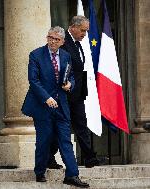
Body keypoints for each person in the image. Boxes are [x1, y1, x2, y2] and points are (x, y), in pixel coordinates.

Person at [21, 26, 89, 188]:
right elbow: (34, 80)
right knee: (44, 140)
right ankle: (39, 171)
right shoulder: (36, 55)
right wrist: (46, 98)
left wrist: (70, 84)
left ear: (62, 42)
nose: (52, 41)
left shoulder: (65, 56)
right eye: (50, 37)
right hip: (43, 106)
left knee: (65, 140)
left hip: (61, 106)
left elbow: (70, 75)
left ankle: (72, 175)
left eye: (56, 39)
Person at [48, 16, 107, 169]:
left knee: (81, 124)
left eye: (86, 31)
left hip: (77, 93)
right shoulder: (63, 41)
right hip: (64, 94)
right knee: (62, 127)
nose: (85, 34)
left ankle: (89, 158)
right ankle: (48, 156)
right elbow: (57, 66)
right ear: (73, 27)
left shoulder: (77, 44)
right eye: (82, 30)